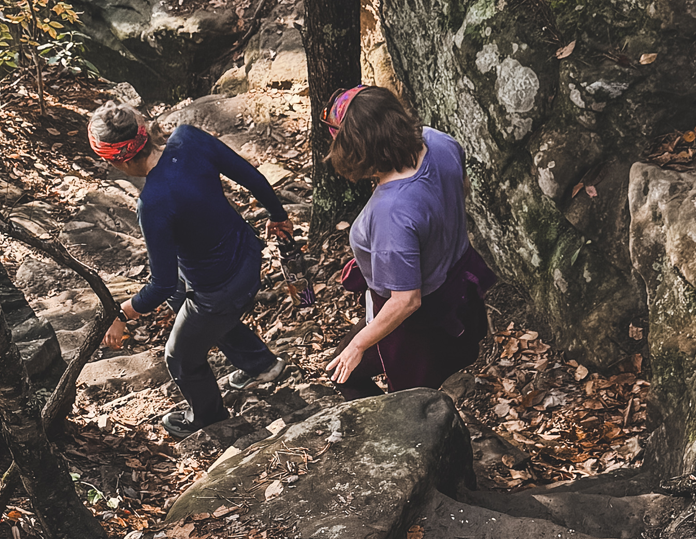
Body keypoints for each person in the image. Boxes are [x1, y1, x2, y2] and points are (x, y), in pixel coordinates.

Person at [89, 103, 295, 438]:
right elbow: (252, 177)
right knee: (177, 298)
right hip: (246, 254)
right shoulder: (189, 138)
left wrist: (119, 314)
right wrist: (277, 214)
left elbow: (159, 283)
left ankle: (208, 418)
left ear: (119, 160)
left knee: (180, 357)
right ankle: (261, 364)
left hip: (219, 292)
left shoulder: (153, 203)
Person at [321, 86, 497, 399]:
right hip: (458, 286)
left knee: (343, 374)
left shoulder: (391, 212)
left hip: (419, 321)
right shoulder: (438, 140)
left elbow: (406, 301)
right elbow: (461, 188)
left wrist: (358, 345)